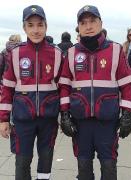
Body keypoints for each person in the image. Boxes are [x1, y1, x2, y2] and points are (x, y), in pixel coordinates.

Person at [59, 5, 131, 180]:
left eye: (93, 21)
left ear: (101, 23)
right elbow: (64, 86)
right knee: (84, 168)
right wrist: (64, 115)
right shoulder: (71, 53)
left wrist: (127, 115)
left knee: (109, 167)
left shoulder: (115, 50)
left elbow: (127, 86)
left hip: (107, 123)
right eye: (83, 22)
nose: (89, 26)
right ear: (79, 27)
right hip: (80, 123)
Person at [0, 5, 62, 180]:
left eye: (40, 25)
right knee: (22, 161)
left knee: (46, 158)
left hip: (48, 119)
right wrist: (4, 119)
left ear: (46, 26)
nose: (36, 30)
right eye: (31, 25)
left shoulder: (57, 54)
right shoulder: (15, 54)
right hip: (22, 118)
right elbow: (8, 87)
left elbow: (63, 87)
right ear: (24, 27)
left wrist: (64, 115)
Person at [0, 34, 21, 101]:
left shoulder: (4, 52)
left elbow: (0, 66)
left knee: (6, 99)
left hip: (6, 79)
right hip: (19, 80)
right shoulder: (21, 51)